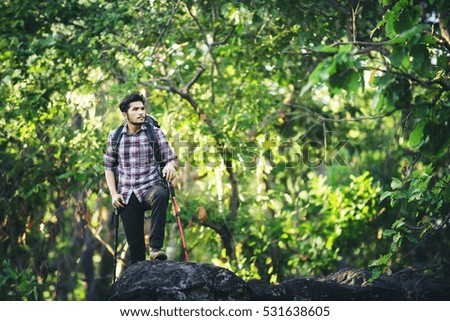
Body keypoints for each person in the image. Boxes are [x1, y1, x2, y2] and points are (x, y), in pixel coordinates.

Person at [104, 93, 178, 264]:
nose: (141, 112)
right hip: (127, 195)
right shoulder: (115, 137)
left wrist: (169, 165)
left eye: (142, 108)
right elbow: (108, 167)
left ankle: (155, 248)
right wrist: (114, 194)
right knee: (136, 256)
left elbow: (171, 158)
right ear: (125, 114)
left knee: (160, 194)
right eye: (135, 109)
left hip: (149, 189)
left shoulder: (155, 133)